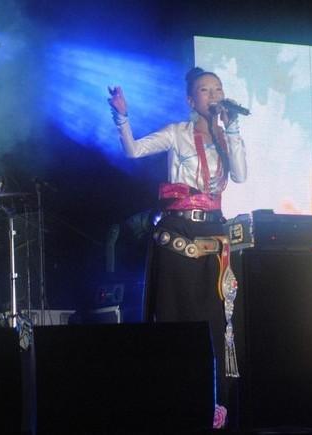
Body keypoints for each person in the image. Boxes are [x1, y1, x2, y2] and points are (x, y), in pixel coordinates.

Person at [108, 67, 247, 428]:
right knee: (178, 319)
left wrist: (232, 129)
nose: (213, 96)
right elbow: (134, 150)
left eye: (218, 90)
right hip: (178, 234)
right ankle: (173, 400)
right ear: (190, 100)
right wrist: (122, 117)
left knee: (217, 322)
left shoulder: (226, 136)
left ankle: (217, 404)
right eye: (205, 90)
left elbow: (241, 175)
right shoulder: (176, 133)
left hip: (214, 234)